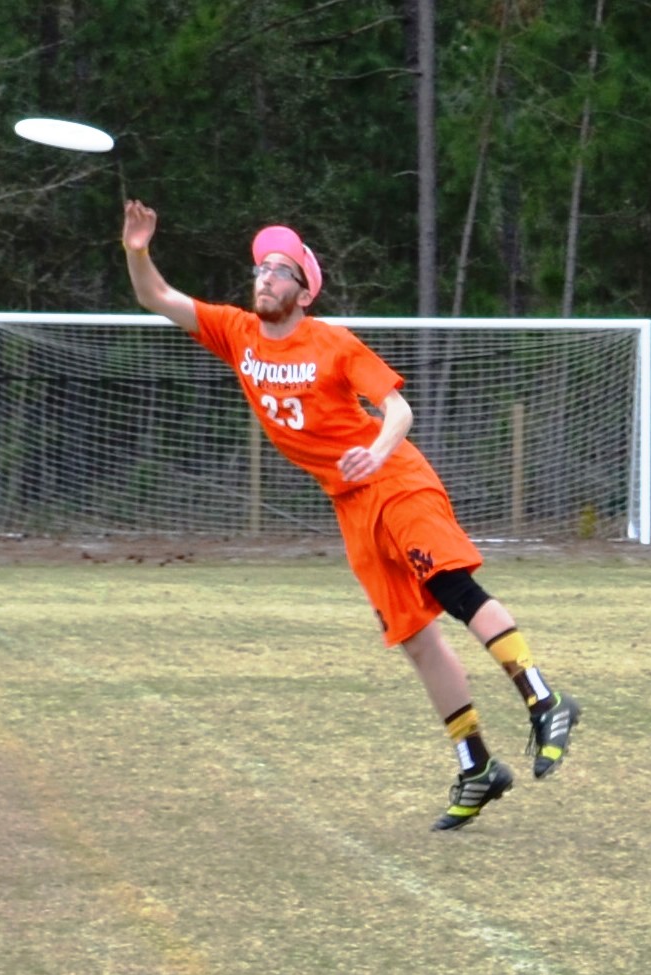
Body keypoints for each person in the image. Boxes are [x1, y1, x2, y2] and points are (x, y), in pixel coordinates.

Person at [120, 201, 580, 829]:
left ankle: (544, 699)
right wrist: (138, 249)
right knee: (415, 639)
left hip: (395, 479)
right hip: (350, 504)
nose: (265, 277)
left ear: (304, 289)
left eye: (280, 270)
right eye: (260, 268)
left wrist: (377, 452)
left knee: (452, 587)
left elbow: (398, 411)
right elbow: (157, 296)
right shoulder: (236, 331)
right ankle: (477, 765)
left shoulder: (331, 342)